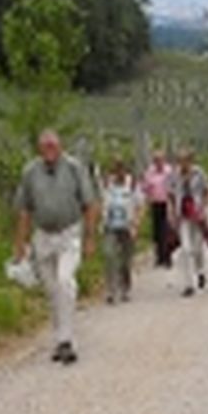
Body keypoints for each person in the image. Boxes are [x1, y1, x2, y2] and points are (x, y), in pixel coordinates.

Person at [13, 130, 99, 364]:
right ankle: (59, 337)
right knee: (51, 290)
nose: (50, 150)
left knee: (65, 281)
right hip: (43, 235)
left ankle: (66, 340)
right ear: (39, 149)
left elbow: (90, 203)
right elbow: (24, 209)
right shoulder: (30, 172)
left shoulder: (74, 168)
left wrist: (90, 237)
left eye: (53, 145)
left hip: (68, 232)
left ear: (60, 147)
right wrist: (19, 244)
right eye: (45, 146)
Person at [170, 148, 208, 297]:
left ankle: (200, 271)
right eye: (180, 161)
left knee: (197, 248)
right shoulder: (174, 175)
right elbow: (171, 195)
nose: (183, 164)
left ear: (191, 161)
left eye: (185, 161)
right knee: (186, 249)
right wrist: (172, 213)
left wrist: (203, 208)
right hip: (183, 215)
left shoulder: (199, 173)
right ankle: (188, 284)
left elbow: (207, 192)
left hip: (197, 215)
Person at [102, 158, 142, 304]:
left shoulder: (132, 185)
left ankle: (125, 287)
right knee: (109, 255)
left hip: (127, 226)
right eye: (116, 170)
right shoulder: (107, 185)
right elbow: (101, 202)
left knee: (125, 260)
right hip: (110, 226)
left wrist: (136, 224)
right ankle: (111, 290)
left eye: (121, 169)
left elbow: (139, 205)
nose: (119, 173)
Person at [142, 149, 174, 268]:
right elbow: (145, 187)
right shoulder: (150, 172)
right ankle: (159, 256)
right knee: (156, 232)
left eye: (160, 160)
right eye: (156, 160)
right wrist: (147, 199)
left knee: (166, 230)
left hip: (167, 203)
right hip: (155, 203)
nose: (158, 162)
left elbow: (173, 186)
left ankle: (167, 257)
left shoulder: (169, 171)